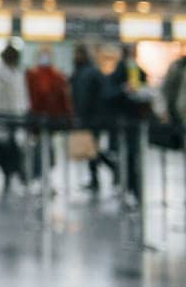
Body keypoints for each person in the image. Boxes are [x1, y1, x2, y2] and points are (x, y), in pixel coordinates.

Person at [70, 44, 119, 191]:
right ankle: (98, 176)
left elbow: (84, 96)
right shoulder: (86, 72)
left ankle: (111, 169)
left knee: (92, 149)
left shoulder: (86, 73)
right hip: (92, 116)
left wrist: (80, 114)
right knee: (91, 149)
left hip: (91, 117)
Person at [105, 45, 150, 203]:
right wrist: (123, 90)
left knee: (132, 158)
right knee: (125, 157)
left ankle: (132, 189)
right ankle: (125, 186)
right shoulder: (118, 74)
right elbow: (109, 96)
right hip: (122, 122)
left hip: (133, 122)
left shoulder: (139, 72)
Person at [0, 44, 30, 191]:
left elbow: (22, 97)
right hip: (2, 119)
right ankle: (3, 177)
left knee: (11, 151)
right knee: (1, 151)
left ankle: (9, 177)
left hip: (14, 120)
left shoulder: (18, 74)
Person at [24, 48, 72, 185]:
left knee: (47, 150)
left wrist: (66, 115)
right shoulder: (33, 75)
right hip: (38, 119)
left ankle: (44, 178)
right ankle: (39, 178)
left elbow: (62, 97)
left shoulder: (55, 76)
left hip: (51, 120)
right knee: (40, 150)